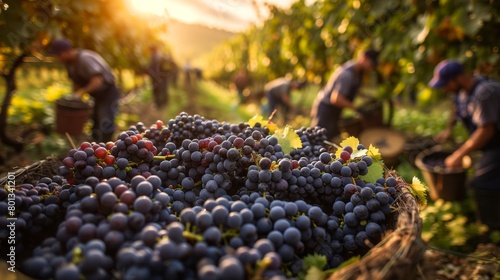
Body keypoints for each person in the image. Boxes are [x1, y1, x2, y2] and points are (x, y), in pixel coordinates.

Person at [429, 60, 500, 185]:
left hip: (497, 145)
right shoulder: (462, 92)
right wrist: (448, 129)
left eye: (446, 84)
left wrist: (459, 155)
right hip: (490, 146)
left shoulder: (484, 93)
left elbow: (486, 130)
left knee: (482, 183)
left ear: (457, 78)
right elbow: (456, 108)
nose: (445, 90)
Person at [49, 39, 120, 142]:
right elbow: (76, 82)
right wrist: (75, 97)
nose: (59, 58)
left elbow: (97, 81)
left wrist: (81, 92)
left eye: (60, 55)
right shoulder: (70, 64)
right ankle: (96, 147)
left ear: (68, 51)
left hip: (108, 93)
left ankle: (108, 147)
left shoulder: (85, 58)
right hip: (97, 95)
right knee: (95, 120)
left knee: (105, 119)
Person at [310, 48, 379, 141]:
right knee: (319, 139)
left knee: (330, 139)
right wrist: (357, 109)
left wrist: (369, 98)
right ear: (363, 58)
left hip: (334, 110)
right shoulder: (347, 75)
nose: (371, 68)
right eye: (370, 65)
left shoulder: (358, 73)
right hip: (325, 109)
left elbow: (352, 90)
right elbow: (336, 99)